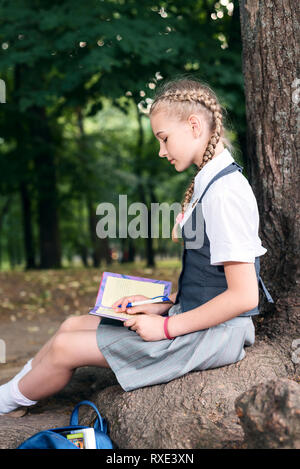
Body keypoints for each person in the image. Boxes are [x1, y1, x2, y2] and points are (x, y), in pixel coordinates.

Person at [0, 77, 273, 415]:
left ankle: (6, 401)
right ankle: (13, 397)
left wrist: (166, 327)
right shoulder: (211, 183)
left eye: (164, 138)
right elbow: (210, 280)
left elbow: (245, 297)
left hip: (215, 336)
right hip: (201, 321)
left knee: (64, 348)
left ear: (194, 125)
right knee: (71, 325)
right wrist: (162, 305)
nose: (161, 151)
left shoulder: (225, 193)